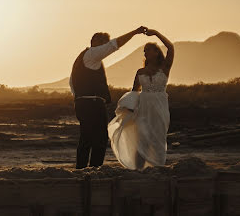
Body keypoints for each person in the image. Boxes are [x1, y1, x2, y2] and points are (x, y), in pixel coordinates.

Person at [70, 26, 148, 168]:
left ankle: (83, 169)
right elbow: (114, 45)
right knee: (99, 139)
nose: (105, 49)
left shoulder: (85, 60)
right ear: (95, 42)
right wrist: (134, 32)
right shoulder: (92, 55)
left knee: (87, 138)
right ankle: (94, 169)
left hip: (85, 103)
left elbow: (72, 84)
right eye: (103, 44)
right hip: (91, 103)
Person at [107, 29, 174, 169]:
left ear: (156, 52)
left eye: (148, 50)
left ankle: (158, 169)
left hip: (160, 108)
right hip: (144, 108)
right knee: (143, 140)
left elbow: (171, 47)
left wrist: (156, 33)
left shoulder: (164, 67)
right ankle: (138, 171)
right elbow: (134, 91)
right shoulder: (140, 72)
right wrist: (128, 107)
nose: (145, 53)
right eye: (144, 51)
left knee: (158, 140)